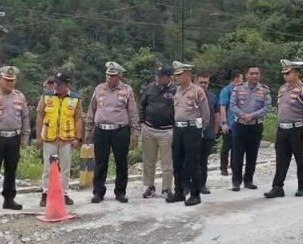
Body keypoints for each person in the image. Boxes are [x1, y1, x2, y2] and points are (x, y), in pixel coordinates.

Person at [84, 62, 140, 204]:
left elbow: (132, 112)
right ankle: (98, 192)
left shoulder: (127, 90)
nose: (109, 78)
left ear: (119, 76)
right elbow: (92, 109)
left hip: (120, 130)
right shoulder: (98, 89)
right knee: (100, 162)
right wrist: (88, 130)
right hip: (101, 130)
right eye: (108, 75)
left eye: (113, 75)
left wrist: (135, 132)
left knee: (121, 162)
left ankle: (120, 192)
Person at [0, 66, 30, 214]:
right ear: (0, 80)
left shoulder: (19, 96)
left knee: (11, 170)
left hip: (14, 137)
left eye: (12, 81)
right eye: (7, 80)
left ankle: (9, 200)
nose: (9, 83)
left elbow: (25, 118)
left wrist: (25, 137)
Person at [265, 60, 303, 199]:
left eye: (288, 73)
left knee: (300, 158)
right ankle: (277, 187)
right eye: (284, 73)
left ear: (296, 73)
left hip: (298, 128)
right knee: (281, 159)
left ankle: (302, 186)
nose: (285, 76)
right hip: (282, 129)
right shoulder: (283, 88)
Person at [35, 70, 84, 207]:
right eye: (56, 83)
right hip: (49, 137)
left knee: (65, 168)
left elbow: (78, 119)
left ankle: (64, 194)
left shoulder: (75, 99)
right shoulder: (46, 97)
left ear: (67, 84)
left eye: (60, 84)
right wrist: (38, 136)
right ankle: (45, 193)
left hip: (67, 139)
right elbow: (40, 116)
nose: (57, 86)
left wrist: (78, 138)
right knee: (48, 167)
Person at [166, 61, 210, 206]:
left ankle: (195, 194)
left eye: (179, 75)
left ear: (187, 74)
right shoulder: (176, 91)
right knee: (177, 162)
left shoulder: (198, 91)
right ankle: (179, 192)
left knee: (193, 163)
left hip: (192, 130)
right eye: (176, 75)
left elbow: (206, 113)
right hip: (178, 129)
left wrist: (199, 129)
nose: (177, 77)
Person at [229, 65, 271, 192]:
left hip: (255, 126)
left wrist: (252, 115)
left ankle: (249, 180)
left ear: (259, 75)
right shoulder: (238, 88)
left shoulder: (264, 90)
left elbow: (267, 107)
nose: (254, 76)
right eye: (252, 73)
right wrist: (243, 115)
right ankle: (236, 182)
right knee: (237, 154)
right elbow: (232, 105)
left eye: (256, 73)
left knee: (252, 154)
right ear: (246, 75)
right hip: (240, 125)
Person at [140, 66, 176, 199]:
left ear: (168, 77)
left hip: (167, 130)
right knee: (149, 161)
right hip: (149, 129)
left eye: (161, 76)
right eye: (157, 76)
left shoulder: (174, 89)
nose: (158, 78)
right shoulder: (150, 88)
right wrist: (142, 121)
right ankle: (150, 187)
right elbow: (142, 105)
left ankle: (166, 188)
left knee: (167, 162)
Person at [196, 72, 220, 194]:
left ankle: (202, 185)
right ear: (196, 82)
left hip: (208, 133)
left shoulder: (212, 97)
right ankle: (188, 185)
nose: (203, 85)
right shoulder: (190, 95)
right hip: (192, 134)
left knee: (203, 161)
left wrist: (215, 131)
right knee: (190, 160)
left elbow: (216, 114)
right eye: (201, 82)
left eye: (206, 82)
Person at [219, 70, 244, 176]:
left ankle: (235, 168)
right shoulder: (226, 90)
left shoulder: (241, 91)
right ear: (235, 79)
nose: (243, 81)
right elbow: (223, 107)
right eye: (241, 78)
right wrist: (224, 123)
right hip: (229, 123)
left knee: (237, 148)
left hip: (239, 124)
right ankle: (223, 167)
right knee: (226, 147)